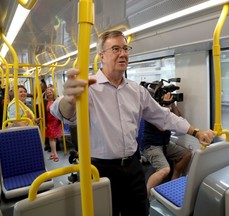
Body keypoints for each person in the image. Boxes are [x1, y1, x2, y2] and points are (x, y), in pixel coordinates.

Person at [50, 30, 215, 216]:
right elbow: (61, 111)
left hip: (132, 166)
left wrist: (195, 132)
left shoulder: (136, 91)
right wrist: (69, 100)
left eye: (125, 48)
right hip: (99, 170)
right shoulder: (88, 88)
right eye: (115, 49)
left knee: (139, 211)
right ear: (102, 56)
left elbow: (164, 116)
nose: (123, 53)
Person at [141, 92, 192, 197]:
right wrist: (166, 106)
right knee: (164, 169)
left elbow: (179, 119)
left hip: (165, 144)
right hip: (151, 146)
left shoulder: (168, 107)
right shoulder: (152, 109)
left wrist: (172, 104)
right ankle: (145, 196)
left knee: (186, 154)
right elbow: (162, 126)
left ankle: (174, 178)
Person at [44, 87, 62, 162]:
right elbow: (43, 113)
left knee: (53, 138)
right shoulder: (45, 102)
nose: (49, 94)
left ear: (53, 93)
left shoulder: (57, 101)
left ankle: (52, 153)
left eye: (50, 92)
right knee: (52, 138)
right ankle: (55, 154)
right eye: (47, 93)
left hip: (56, 121)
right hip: (49, 122)